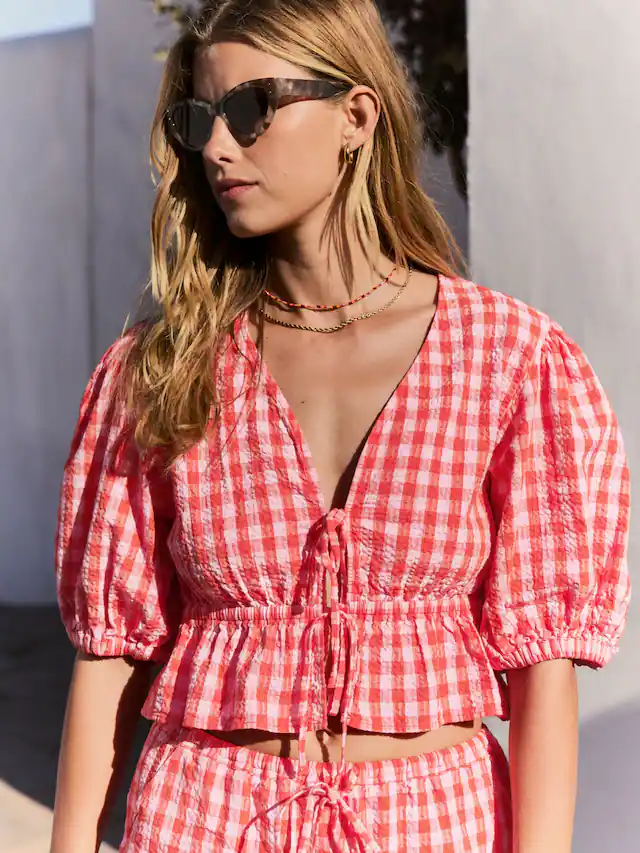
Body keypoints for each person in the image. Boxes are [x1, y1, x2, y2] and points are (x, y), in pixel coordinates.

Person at [50, 1, 631, 851]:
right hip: (201, 817)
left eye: (250, 108)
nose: (217, 147)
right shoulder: (162, 368)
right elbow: (112, 652)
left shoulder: (510, 360)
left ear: (356, 116)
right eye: (198, 120)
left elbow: (544, 670)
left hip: (434, 823)